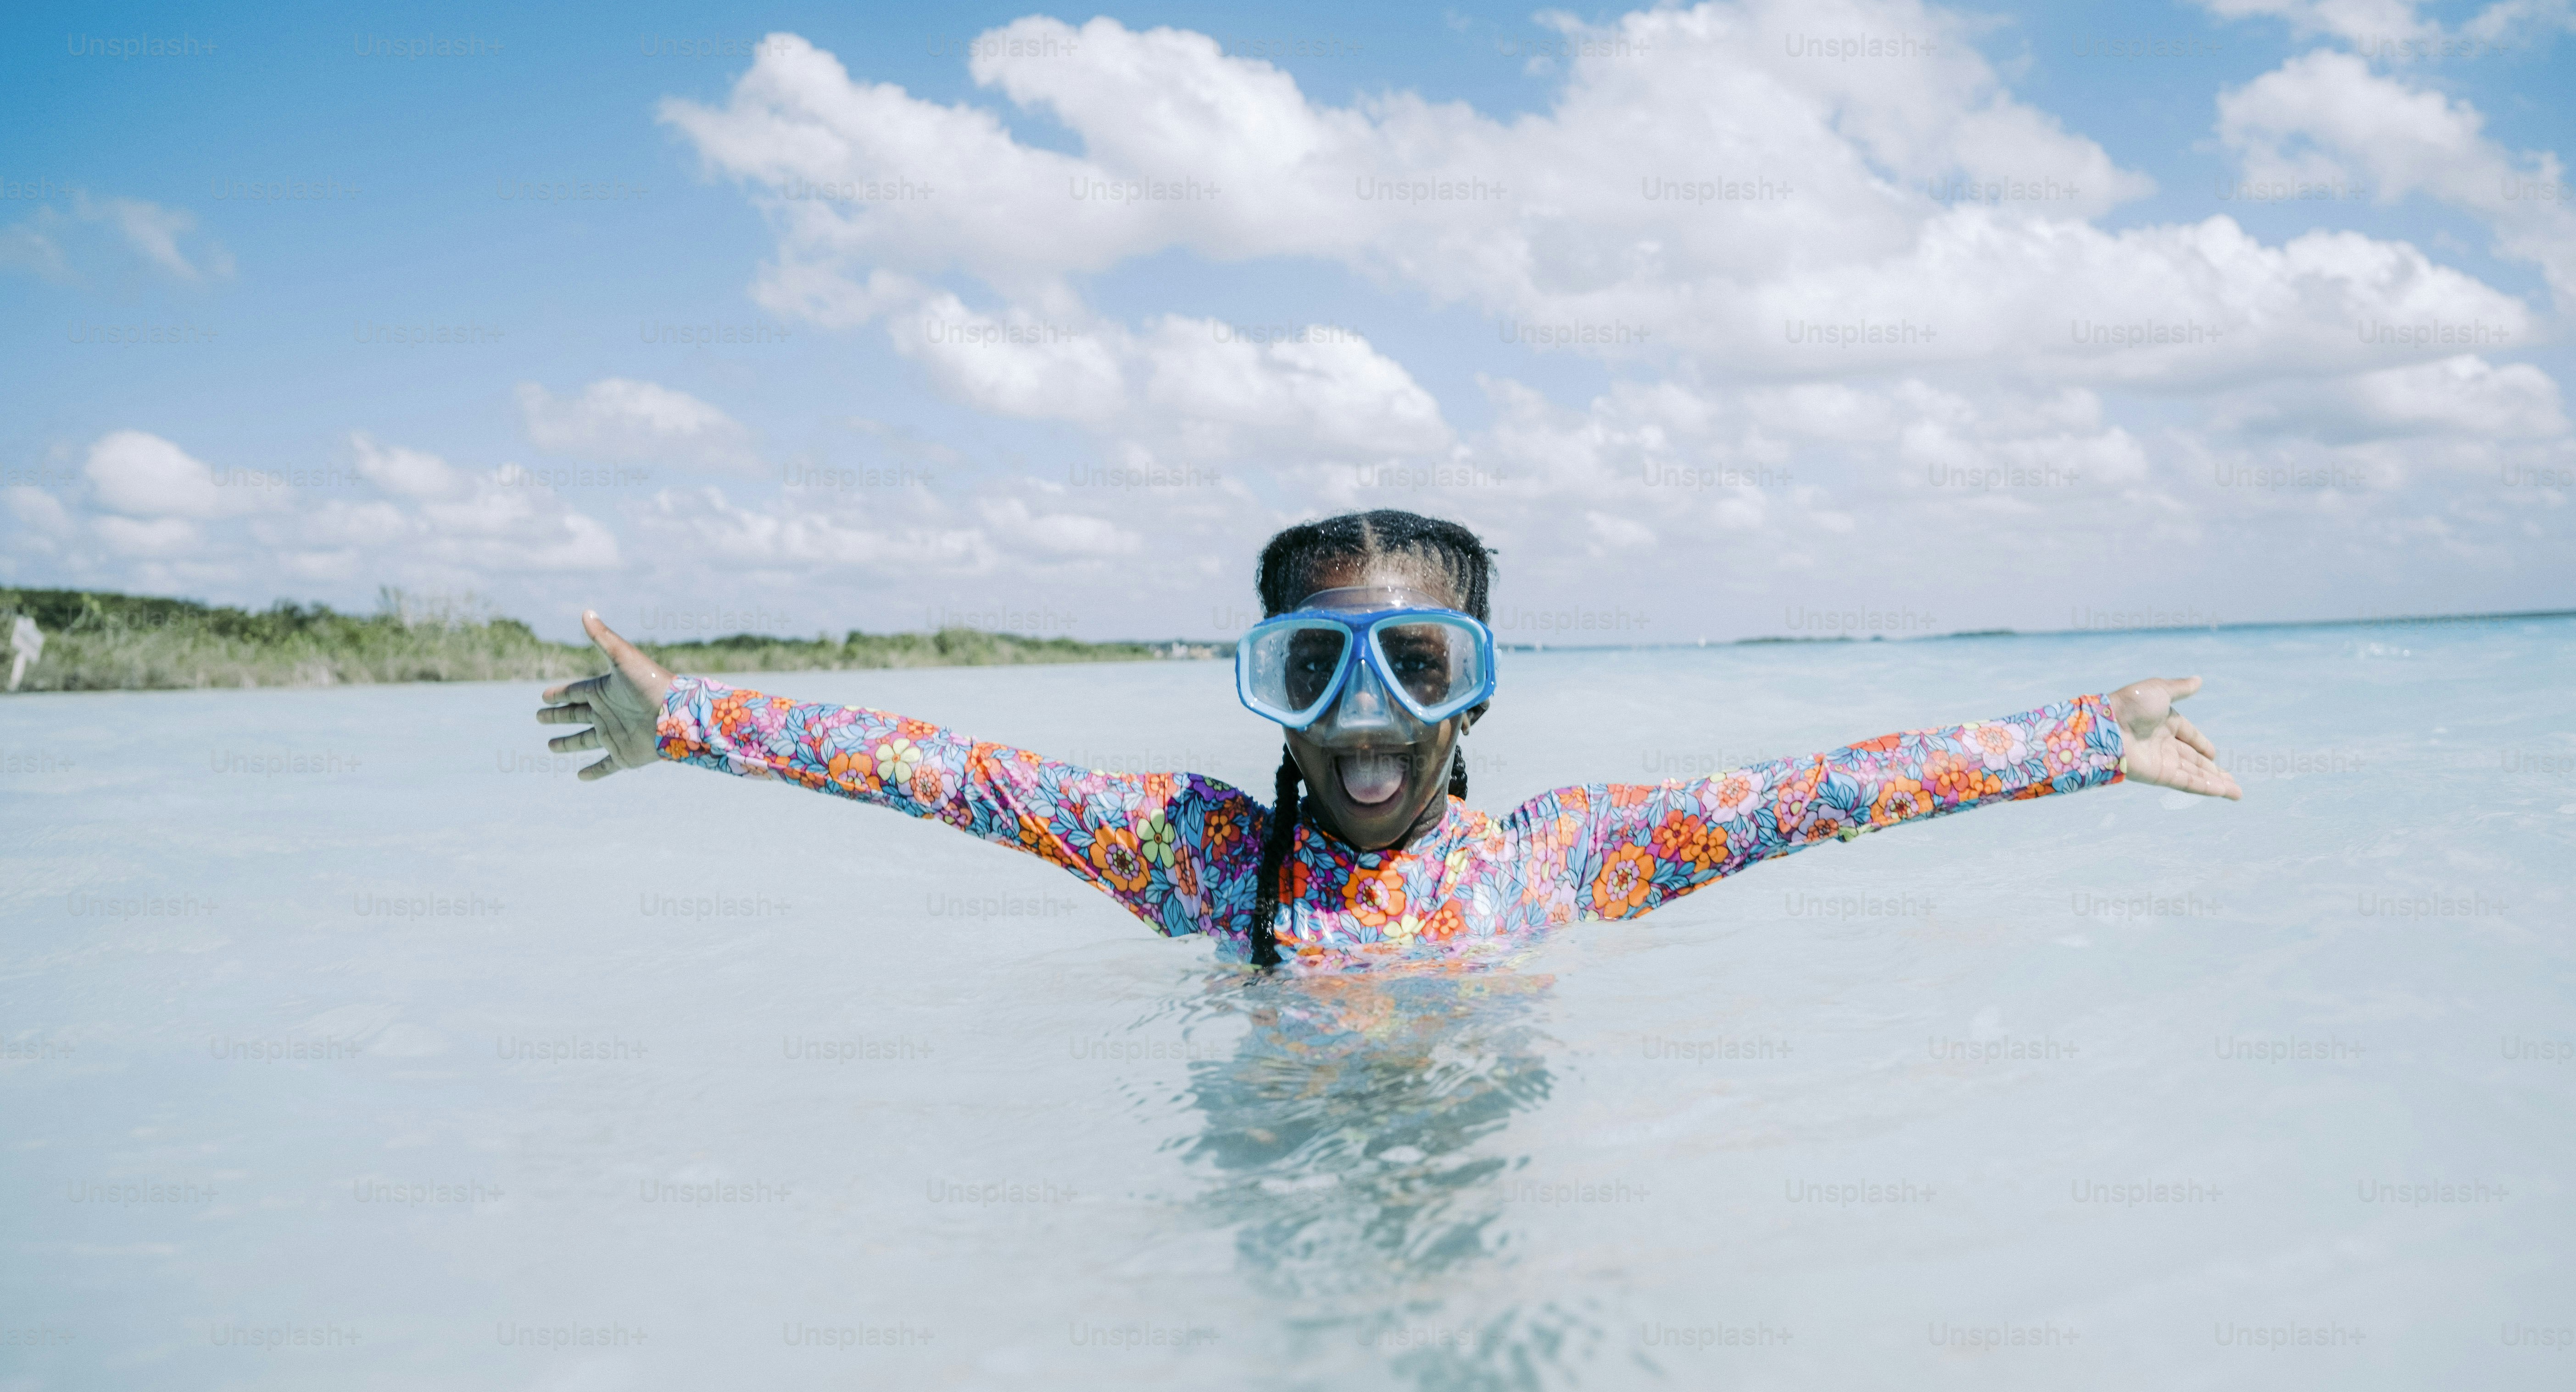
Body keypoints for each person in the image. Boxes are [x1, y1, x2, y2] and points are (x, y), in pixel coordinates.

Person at [536, 510, 2238, 965]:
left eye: (1416, 665)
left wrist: (2081, 738)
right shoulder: (1190, 852)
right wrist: (689, 719)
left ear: (1476, 690)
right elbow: (941, 770)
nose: (1367, 718)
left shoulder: (1566, 856)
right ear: (1263, 680)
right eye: (1316, 666)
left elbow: (1821, 796)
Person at [7, 614, 40, 693]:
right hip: (21, 652)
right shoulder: (21, 622)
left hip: (26, 653)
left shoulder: (29, 622)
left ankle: (17, 685)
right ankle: (14, 685)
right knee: (19, 665)